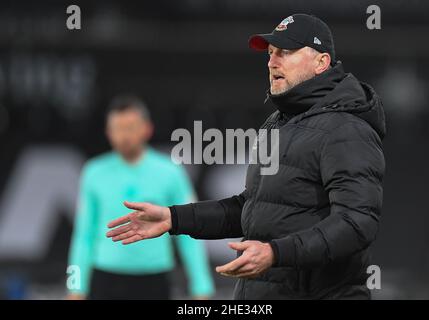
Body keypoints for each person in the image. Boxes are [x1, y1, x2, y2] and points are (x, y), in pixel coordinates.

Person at [106, 14, 386, 300]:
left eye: (285, 52)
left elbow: (356, 224)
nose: (272, 62)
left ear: (321, 62)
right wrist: (174, 218)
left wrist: (275, 252)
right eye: (270, 53)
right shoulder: (279, 124)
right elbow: (252, 209)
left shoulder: (347, 129)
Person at [67, 95, 215, 300]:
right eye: (118, 128)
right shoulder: (93, 172)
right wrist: (75, 287)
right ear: (108, 133)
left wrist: (202, 287)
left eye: (130, 127)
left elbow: (190, 234)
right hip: (105, 279)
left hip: (154, 278)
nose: (124, 135)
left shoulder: (170, 173)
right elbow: (82, 236)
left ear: (147, 128)